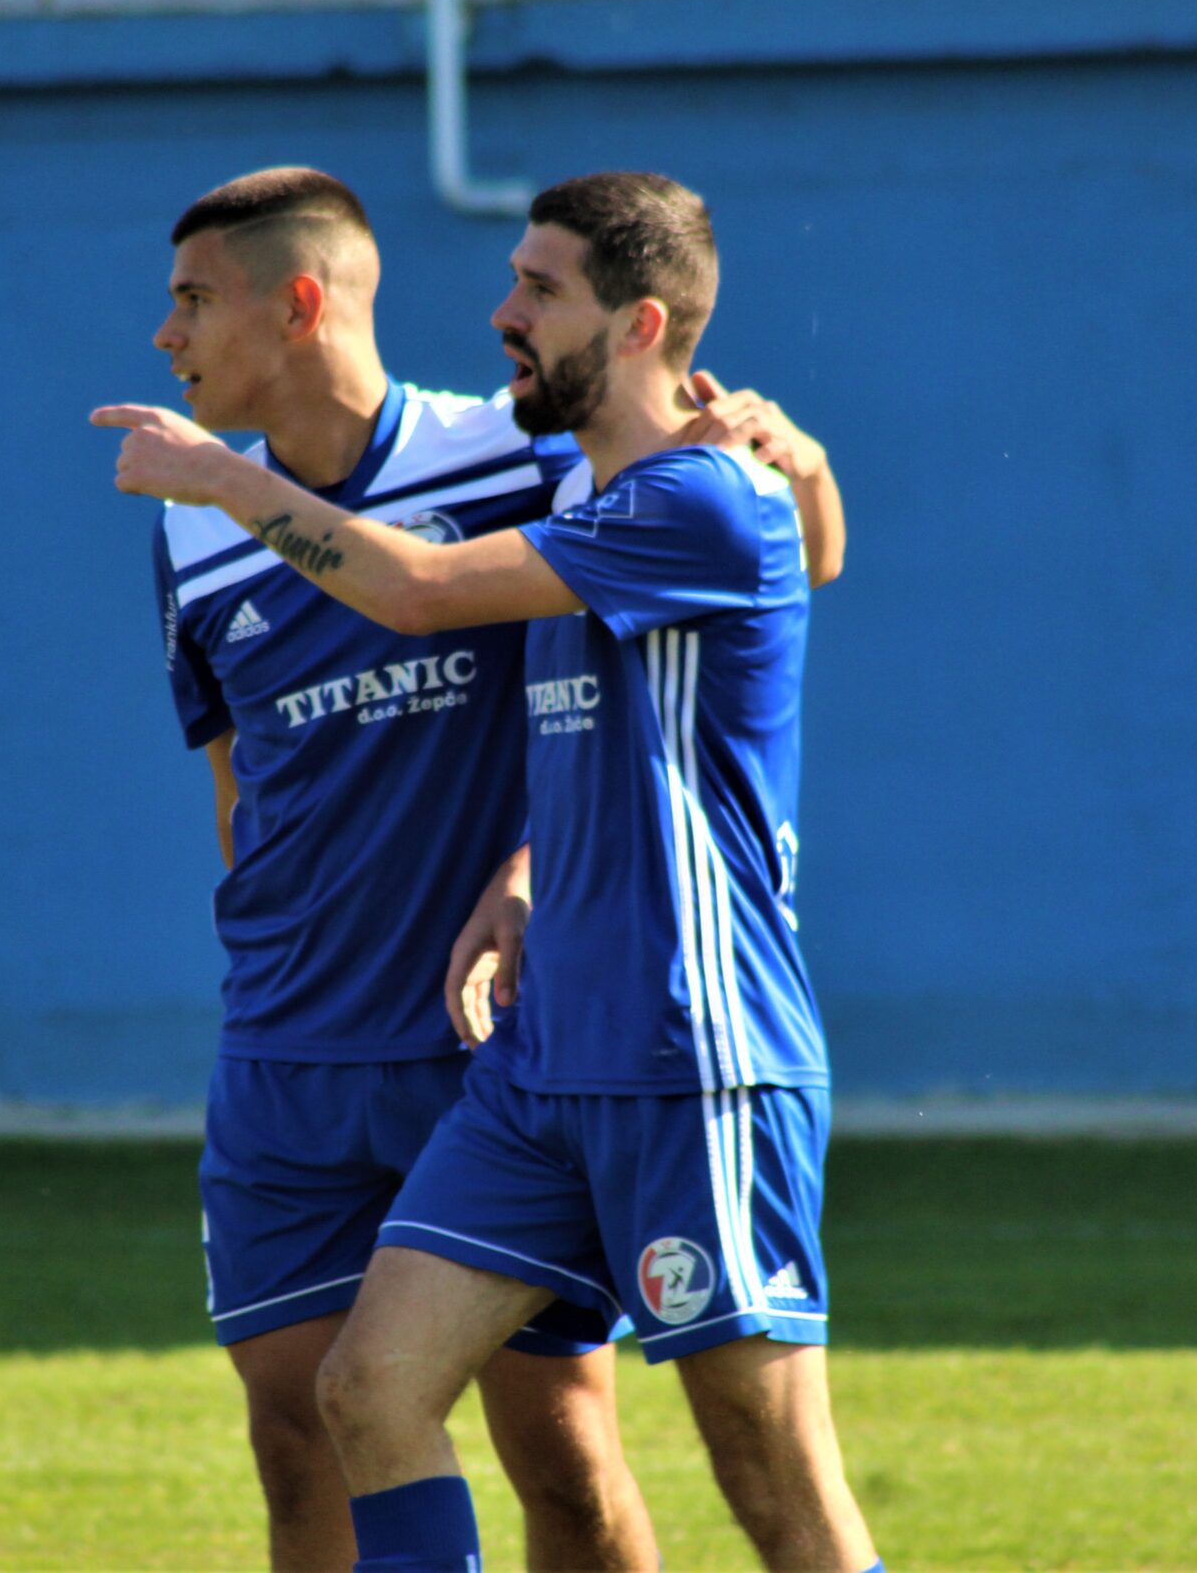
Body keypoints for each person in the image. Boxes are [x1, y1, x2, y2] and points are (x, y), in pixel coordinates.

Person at [102, 170, 878, 1573]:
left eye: (536, 289)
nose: (500, 312)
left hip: (686, 1047)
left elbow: (422, 592)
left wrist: (222, 478)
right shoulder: (588, 510)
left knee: (755, 1481)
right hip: (515, 1062)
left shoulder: (669, 501)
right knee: (356, 1399)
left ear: (638, 326)